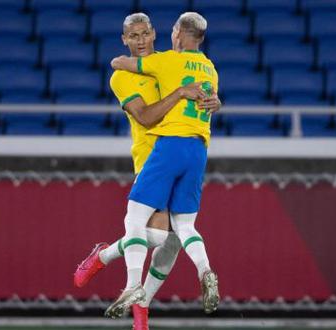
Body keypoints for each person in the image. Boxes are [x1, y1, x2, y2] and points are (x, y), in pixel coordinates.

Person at [73, 12, 221, 329]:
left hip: (175, 152)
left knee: (169, 241)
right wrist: (181, 93)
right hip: (150, 155)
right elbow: (145, 117)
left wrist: (213, 100)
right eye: (133, 36)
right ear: (125, 40)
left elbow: (200, 95)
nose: (140, 41)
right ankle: (103, 257)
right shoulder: (123, 77)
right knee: (155, 234)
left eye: (144, 34)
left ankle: (142, 305)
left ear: (154, 33)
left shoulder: (170, 61)